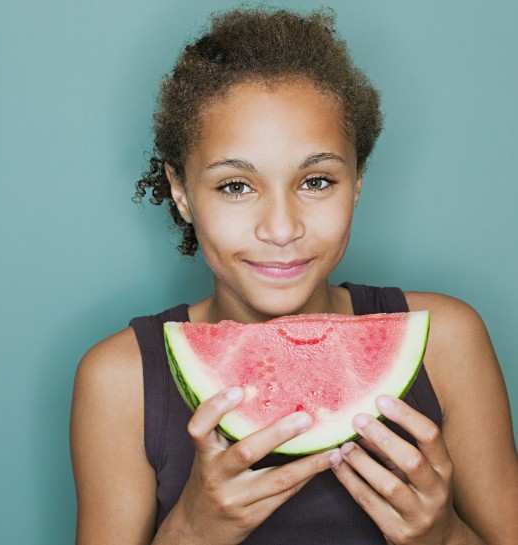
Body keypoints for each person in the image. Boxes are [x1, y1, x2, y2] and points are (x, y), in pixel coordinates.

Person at [70, 7, 517, 545]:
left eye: (317, 180)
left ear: (357, 182)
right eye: (236, 185)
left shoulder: (446, 340)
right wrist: (192, 531)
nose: (281, 228)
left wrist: (443, 536)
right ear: (182, 191)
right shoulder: (119, 379)